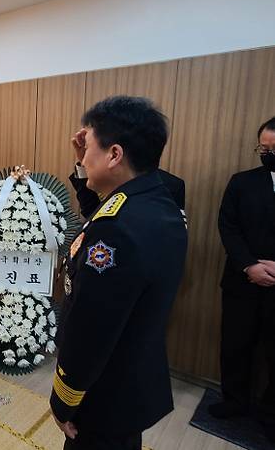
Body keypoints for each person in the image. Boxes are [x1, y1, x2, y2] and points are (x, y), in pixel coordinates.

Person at [50, 96, 188, 450]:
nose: (82, 157)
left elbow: (91, 327)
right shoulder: (158, 204)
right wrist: (84, 169)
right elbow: (102, 209)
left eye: (89, 149)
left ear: (114, 155)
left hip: (102, 392)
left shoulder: (116, 230)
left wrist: (63, 399)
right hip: (133, 380)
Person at [211, 116, 275, 443]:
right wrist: (249, 265)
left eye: (273, 148)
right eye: (263, 148)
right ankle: (234, 400)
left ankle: (269, 412)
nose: (267, 154)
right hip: (242, 280)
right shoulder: (242, 182)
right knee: (235, 344)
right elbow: (228, 226)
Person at [70, 129, 186, 219]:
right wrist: (86, 164)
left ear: (116, 153)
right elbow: (90, 211)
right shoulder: (108, 177)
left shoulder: (172, 185)